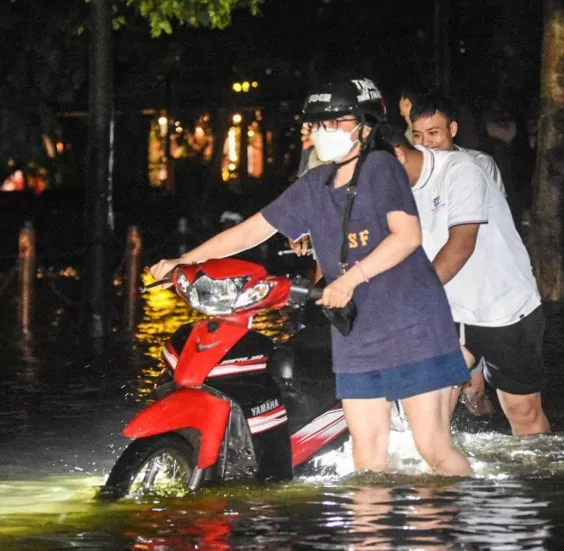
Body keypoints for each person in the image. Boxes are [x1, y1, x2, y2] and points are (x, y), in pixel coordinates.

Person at [150, 77, 472, 476]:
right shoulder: (314, 185)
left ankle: (456, 530)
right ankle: (369, 540)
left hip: (413, 324)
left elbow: (407, 236)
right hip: (355, 330)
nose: (323, 132)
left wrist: (348, 279)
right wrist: (185, 262)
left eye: (335, 123)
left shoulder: (381, 167)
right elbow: (251, 230)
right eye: (317, 124)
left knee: (434, 449)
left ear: (366, 126)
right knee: (366, 461)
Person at [382, 125, 551, 436]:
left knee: (523, 413)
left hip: (505, 307)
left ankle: (537, 479)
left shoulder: (463, 170)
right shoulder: (390, 190)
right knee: (430, 419)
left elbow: (461, 245)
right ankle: (436, 478)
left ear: (397, 155)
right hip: (448, 312)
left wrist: (411, 299)